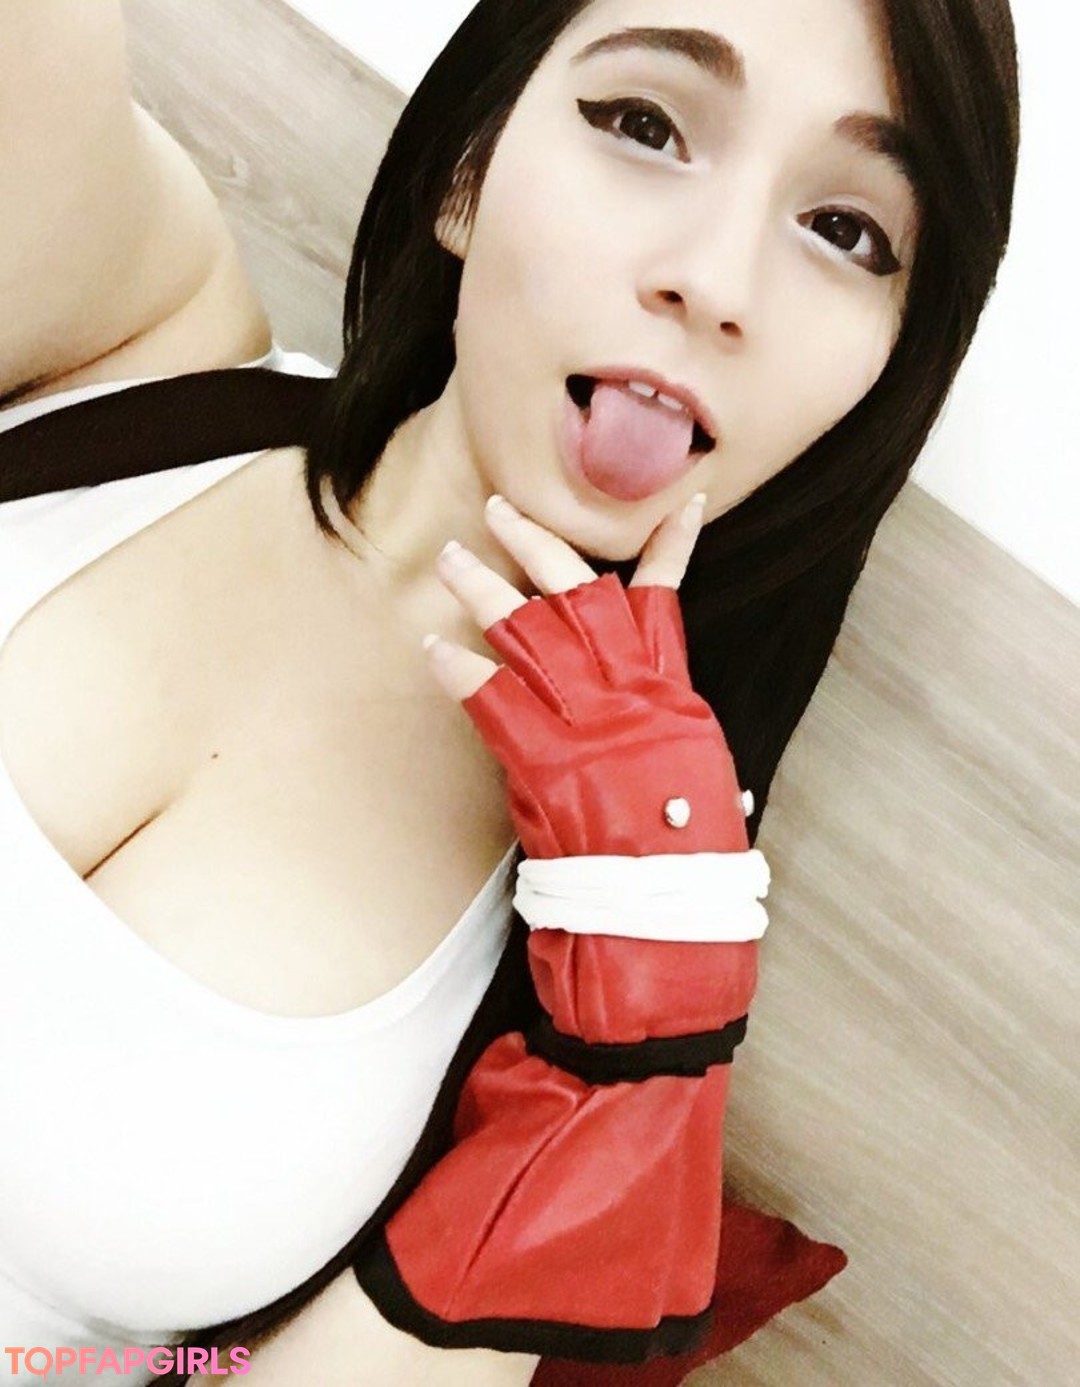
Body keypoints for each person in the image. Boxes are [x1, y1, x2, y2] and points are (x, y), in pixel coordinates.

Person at [0, 0, 1019, 1383]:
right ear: (468, 173)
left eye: (845, 230)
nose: (716, 281)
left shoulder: (598, 957)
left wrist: (632, 1063)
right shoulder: (135, 349)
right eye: (645, 124)